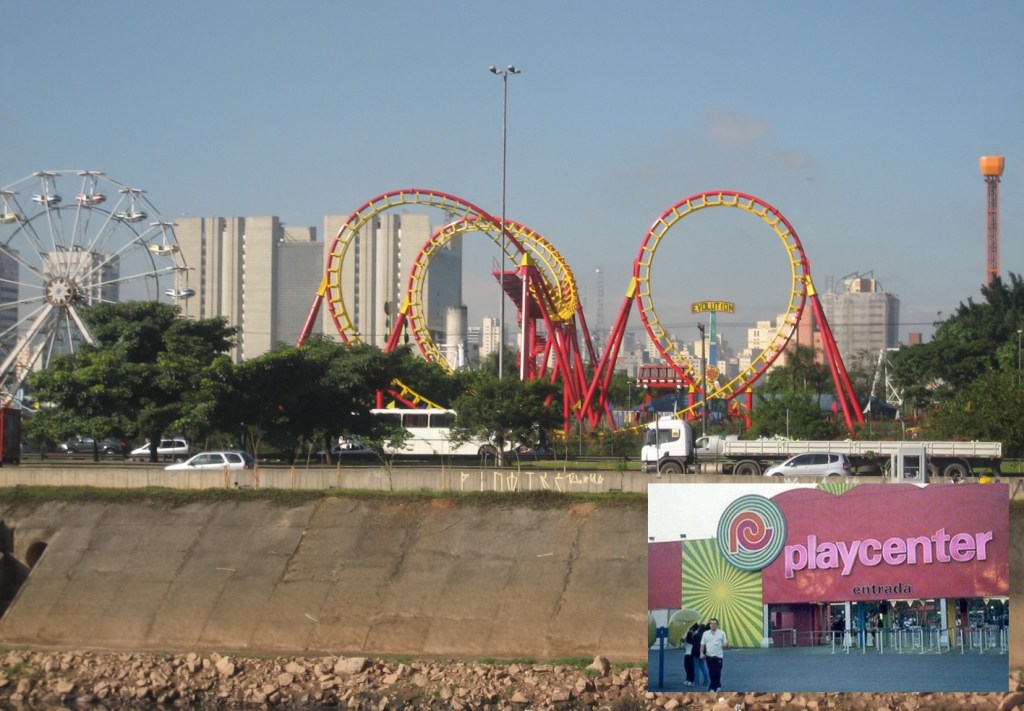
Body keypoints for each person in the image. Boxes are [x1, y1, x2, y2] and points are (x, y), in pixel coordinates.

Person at [700, 617, 728, 692]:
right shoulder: (705, 634)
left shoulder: (722, 633)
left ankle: (712, 688)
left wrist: (725, 645)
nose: (713, 625)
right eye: (711, 623)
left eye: (714, 624)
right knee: (711, 672)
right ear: (709, 625)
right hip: (709, 656)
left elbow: (725, 642)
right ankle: (718, 685)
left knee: (717, 672)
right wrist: (701, 653)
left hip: (718, 656)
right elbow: (702, 644)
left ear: (717, 625)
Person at [693, 623, 710, 689]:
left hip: (696, 653)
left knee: (696, 668)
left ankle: (696, 682)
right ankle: (706, 681)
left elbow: (692, 642)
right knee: (703, 667)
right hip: (703, 653)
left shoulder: (696, 635)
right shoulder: (706, 636)